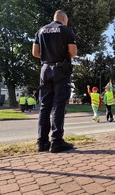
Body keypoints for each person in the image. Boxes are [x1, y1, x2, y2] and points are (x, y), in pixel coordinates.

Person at [32, 10, 77, 153]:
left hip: (45, 69)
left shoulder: (41, 31)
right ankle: (57, 142)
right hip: (60, 70)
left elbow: (35, 53)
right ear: (64, 19)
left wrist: (48, 57)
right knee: (58, 105)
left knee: (45, 106)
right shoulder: (66, 30)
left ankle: (42, 142)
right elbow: (73, 52)